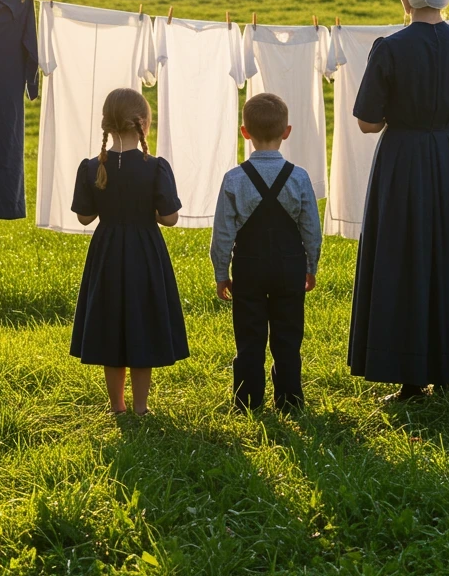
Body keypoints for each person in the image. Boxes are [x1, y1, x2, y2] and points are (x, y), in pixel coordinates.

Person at [350, 0, 449, 402]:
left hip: (403, 159)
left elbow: (368, 123)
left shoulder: (389, 48)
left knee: (403, 256)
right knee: (447, 253)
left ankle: (410, 378)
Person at [70, 88, 189, 416]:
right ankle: (140, 407)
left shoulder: (92, 167)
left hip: (107, 254)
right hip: (144, 253)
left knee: (111, 325)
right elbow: (170, 218)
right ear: (144, 125)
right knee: (141, 323)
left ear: (106, 123)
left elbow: (84, 216)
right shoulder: (155, 167)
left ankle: (116, 407)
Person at [211, 93, 322, 412]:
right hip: (289, 267)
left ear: (244, 132)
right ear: (286, 131)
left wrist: (222, 273)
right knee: (289, 336)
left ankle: (246, 400)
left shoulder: (234, 179)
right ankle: (290, 400)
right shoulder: (299, 177)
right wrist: (311, 265)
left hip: (249, 268)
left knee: (248, 336)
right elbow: (312, 231)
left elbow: (222, 234)